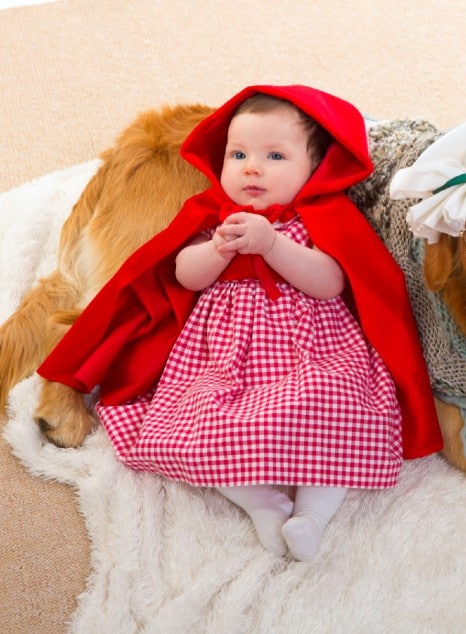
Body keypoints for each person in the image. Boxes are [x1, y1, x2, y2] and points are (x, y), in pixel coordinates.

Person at [39, 85, 443, 560]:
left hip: (309, 356)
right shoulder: (213, 218)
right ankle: (262, 504)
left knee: (343, 406)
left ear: (314, 170)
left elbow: (332, 280)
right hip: (226, 362)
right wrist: (215, 250)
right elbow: (180, 274)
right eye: (239, 154)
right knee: (193, 429)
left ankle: (312, 516)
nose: (252, 167)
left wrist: (273, 245)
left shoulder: (322, 219)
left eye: (274, 155)